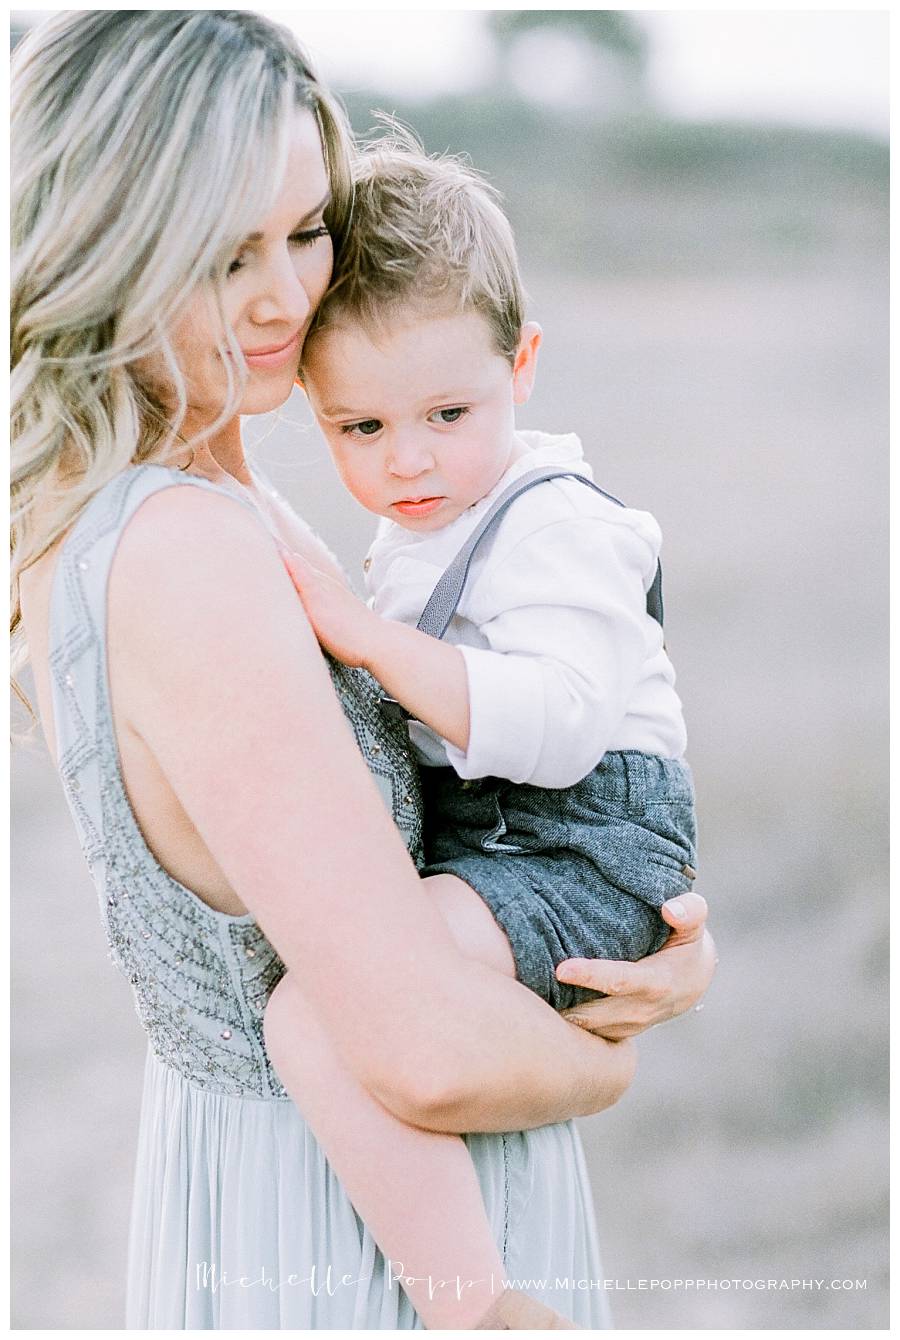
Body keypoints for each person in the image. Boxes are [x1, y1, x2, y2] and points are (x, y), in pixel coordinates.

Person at [11, 10, 716, 1330]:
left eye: (304, 230)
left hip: (368, 1186)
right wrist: (614, 1047)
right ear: (111, 238)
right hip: (335, 1234)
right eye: (229, 253)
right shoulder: (180, 549)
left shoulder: (209, 491)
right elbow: (429, 1054)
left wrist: (604, 918)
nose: (289, 294)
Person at [274, 132, 698, 1321]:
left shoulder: (560, 521)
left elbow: (560, 726)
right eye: (358, 429)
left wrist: (363, 639)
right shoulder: (432, 514)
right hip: (500, 838)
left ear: (525, 365)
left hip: (576, 841)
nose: (408, 460)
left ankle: (473, 1300)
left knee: (323, 1005)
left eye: (447, 411)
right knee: (351, 986)